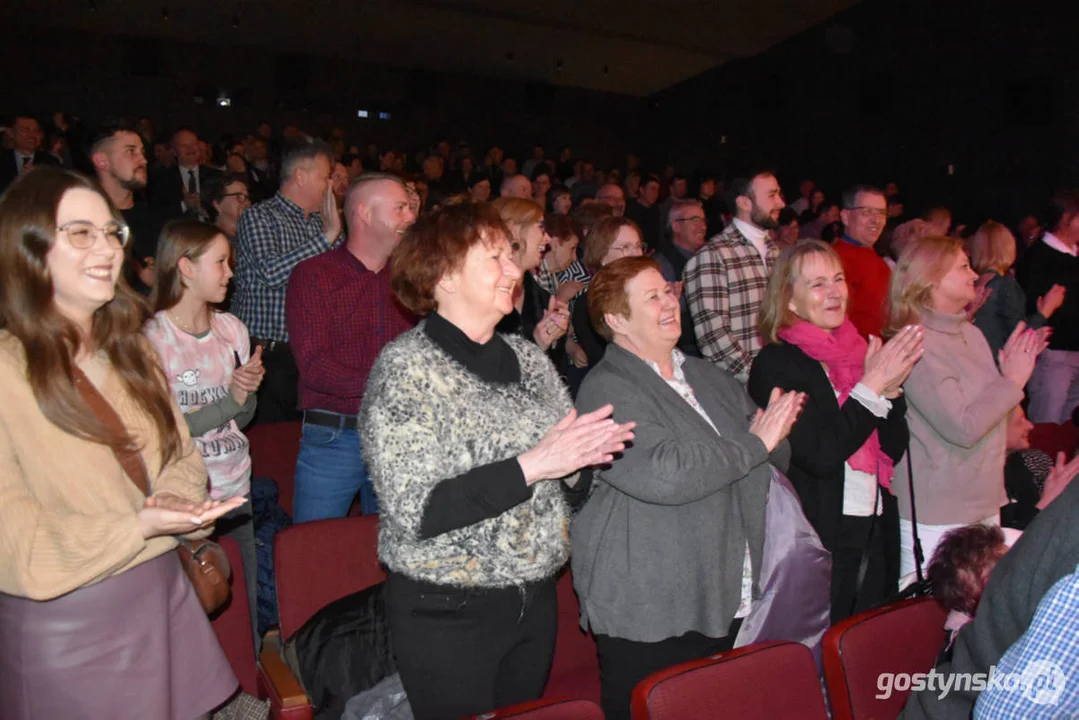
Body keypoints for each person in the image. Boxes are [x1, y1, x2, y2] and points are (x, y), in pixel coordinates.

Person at [359, 202, 634, 720]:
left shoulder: (528, 358)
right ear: (442, 276)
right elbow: (415, 509)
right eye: (495, 259)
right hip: (446, 608)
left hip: (535, 600)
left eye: (513, 256)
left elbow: (567, 489)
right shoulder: (404, 369)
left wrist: (579, 462)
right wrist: (535, 463)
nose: (516, 271)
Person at [0, 167, 243, 719]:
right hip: (71, 629)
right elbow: (14, 543)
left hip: (162, 599)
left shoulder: (132, 350)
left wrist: (180, 505)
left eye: (112, 232)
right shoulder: (6, 369)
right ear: (27, 248)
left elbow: (182, 454)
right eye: (80, 233)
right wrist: (139, 525)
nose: (106, 248)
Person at [572, 256, 802, 719]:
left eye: (668, 291)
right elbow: (667, 472)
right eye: (651, 296)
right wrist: (756, 441)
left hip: (724, 586)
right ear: (616, 319)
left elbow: (777, 455)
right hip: (649, 603)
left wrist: (766, 440)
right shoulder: (606, 387)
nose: (669, 302)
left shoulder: (708, 376)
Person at [749, 240, 922, 621]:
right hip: (820, 530)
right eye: (817, 284)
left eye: (838, 279)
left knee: (869, 643)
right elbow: (822, 454)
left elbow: (893, 448)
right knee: (824, 648)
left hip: (874, 519)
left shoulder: (860, 350)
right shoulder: (777, 365)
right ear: (790, 301)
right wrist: (873, 387)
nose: (833, 292)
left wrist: (889, 392)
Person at [886, 235, 1046, 581]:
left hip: (985, 498)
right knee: (927, 619)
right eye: (963, 267)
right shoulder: (917, 342)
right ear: (930, 279)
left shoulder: (969, 335)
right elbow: (963, 428)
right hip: (941, 510)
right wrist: (1011, 382)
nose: (975, 275)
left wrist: (1009, 375)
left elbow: (990, 418)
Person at [144, 219, 265, 652]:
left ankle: (249, 698)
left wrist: (245, 391)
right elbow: (162, 432)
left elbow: (241, 420)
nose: (229, 273)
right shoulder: (152, 338)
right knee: (189, 611)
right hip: (183, 500)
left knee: (242, 607)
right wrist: (231, 400)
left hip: (235, 486)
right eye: (220, 262)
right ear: (186, 268)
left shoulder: (231, 329)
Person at [286, 174, 416, 521]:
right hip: (334, 435)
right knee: (315, 553)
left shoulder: (409, 281)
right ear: (365, 213)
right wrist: (389, 385)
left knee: (397, 555)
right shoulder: (314, 275)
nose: (411, 217)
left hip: (398, 435)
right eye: (400, 207)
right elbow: (314, 366)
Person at [232, 139, 341, 424]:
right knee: (271, 447)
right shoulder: (260, 217)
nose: (330, 185)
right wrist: (327, 238)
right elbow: (271, 274)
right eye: (324, 176)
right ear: (301, 177)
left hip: (311, 354)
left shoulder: (323, 223)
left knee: (303, 442)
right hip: (267, 356)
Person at [684, 170, 784, 382]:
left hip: (783, 381)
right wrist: (762, 381)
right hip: (743, 393)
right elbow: (714, 341)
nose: (781, 203)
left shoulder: (777, 253)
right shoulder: (712, 256)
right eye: (772, 195)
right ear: (744, 203)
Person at [1016, 189, 1079, 424]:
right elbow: (1034, 310)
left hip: (1074, 354)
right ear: (1066, 219)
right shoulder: (1038, 258)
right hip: (1054, 356)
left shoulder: (1074, 256)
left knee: (1070, 433)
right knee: (1047, 426)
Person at [971, 220, 1064, 360]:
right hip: (996, 367)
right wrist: (1045, 311)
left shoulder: (973, 283)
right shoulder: (1004, 285)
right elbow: (1018, 338)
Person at [491, 197, 570, 359]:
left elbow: (557, 371)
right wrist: (537, 344)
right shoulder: (481, 298)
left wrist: (555, 337)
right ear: (513, 230)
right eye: (541, 228)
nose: (548, 239)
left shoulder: (543, 299)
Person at [572, 216, 647, 367]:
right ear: (602, 256)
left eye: (638, 245)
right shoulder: (588, 304)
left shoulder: (650, 292)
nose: (636, 254)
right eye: (626, 247)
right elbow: (606, 360)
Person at [1001, 405, 1079, 530]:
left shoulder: (1033, 461)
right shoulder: (979, 482)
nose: (1030, 426)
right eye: (1019, 421)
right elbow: (1003, 544)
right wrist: (1045, 503)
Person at [835, 185, 891, 338]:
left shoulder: (878, 260)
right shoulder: (835, 261)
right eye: (867, 212)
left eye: (881, 213)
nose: (876, 220)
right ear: (845, 217)